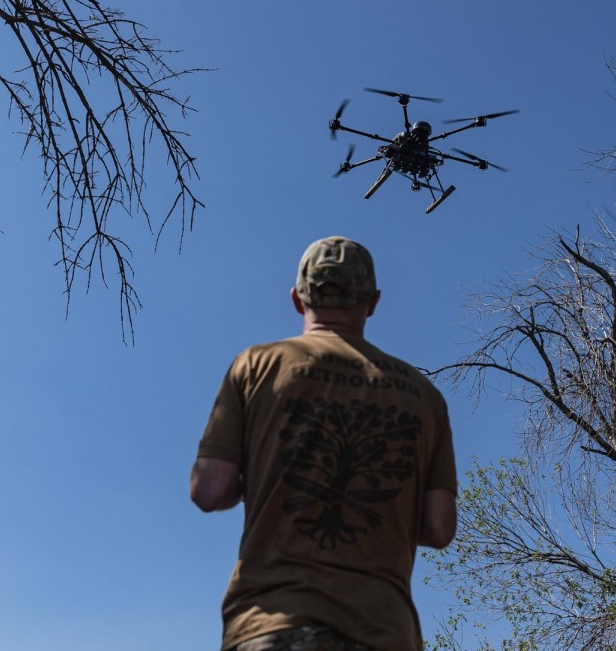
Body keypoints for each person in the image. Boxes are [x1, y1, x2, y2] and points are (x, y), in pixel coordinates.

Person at [191, 236, 457, 651]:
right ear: (372, 301)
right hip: (385, 632)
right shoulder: (424, 396)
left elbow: (210, 490)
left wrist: (268, 482)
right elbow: (439, 527)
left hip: (273, 620)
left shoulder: (257, 365)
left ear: (298, 298)